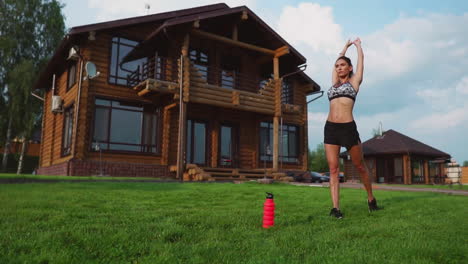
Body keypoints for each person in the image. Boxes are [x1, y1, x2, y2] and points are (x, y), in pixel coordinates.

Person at [324, 38, 380, 219]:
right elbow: (337, 61)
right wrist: (344, 47)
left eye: (343, 65)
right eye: (337, 66)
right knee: (333, 169)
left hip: (348, 129)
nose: (339, 67)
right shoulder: (334, 83)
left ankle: (371, 199)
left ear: (349, 68)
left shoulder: (355, 82)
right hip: (330, 128)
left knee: (360, 166)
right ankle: (335, 208)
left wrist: (357, 46)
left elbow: (361, 62)